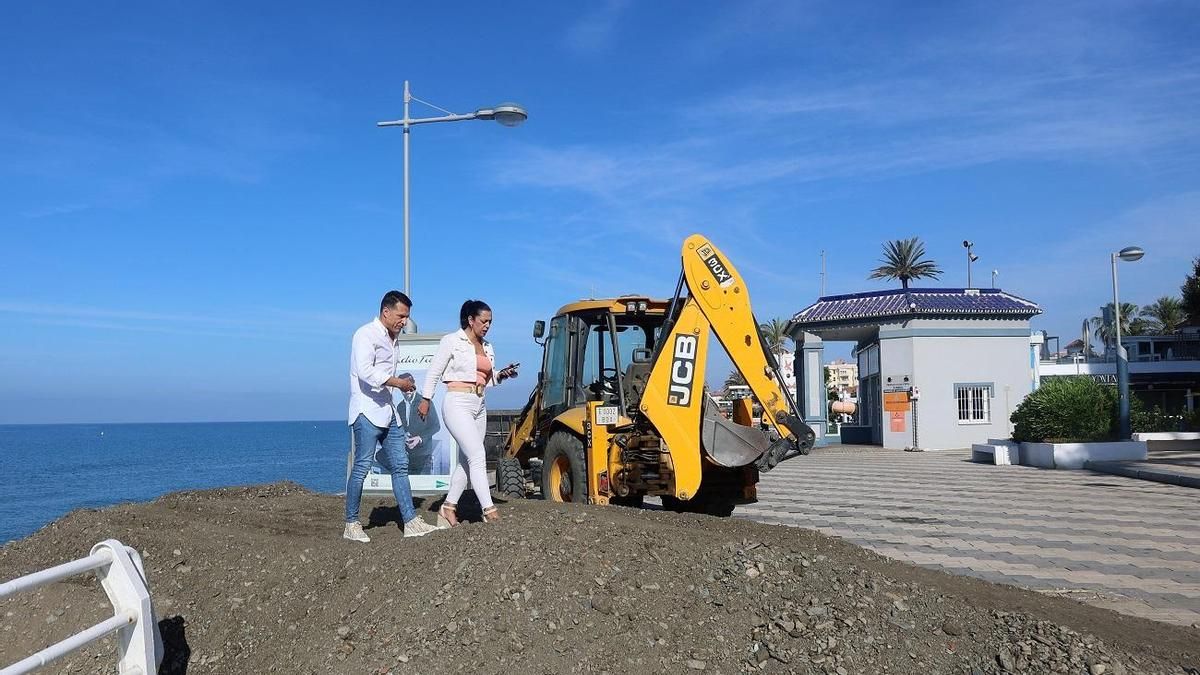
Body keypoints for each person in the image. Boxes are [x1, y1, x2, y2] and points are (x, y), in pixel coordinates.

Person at [345, 291, 442, 542]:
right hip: (366, 411)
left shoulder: (393, 339)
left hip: (388, 412)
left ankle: (410, 521)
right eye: (401, 316)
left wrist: (400, 383)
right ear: (386, 312)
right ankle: (351, 523)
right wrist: (398, 382)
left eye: (407, 317)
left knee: (400, 465)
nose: (404, 321)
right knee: (362, 468)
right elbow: (365, 371)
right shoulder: (365, 334)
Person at [420, 299, 518, 526]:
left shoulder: (488, 346)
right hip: (457, 402)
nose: (487, 325)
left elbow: (489, 379)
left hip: (479, 403)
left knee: (467, 459)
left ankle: (448, 507)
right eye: (484, 321)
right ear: (470, 320)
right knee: (477, 456)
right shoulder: (452, 341)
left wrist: (503, 374)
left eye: (490, 322)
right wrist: (426, 399)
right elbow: (434, 372)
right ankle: (489, 509)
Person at [394, 372, 441, 475]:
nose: (408, 391)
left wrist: (420, 439)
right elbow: (401, 427)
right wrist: (404, 435)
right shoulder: (400, 406)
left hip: (423, 453)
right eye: (403, 388)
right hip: (406, 452)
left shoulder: (425, 402)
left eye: (410, 386)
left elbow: (436, 426)